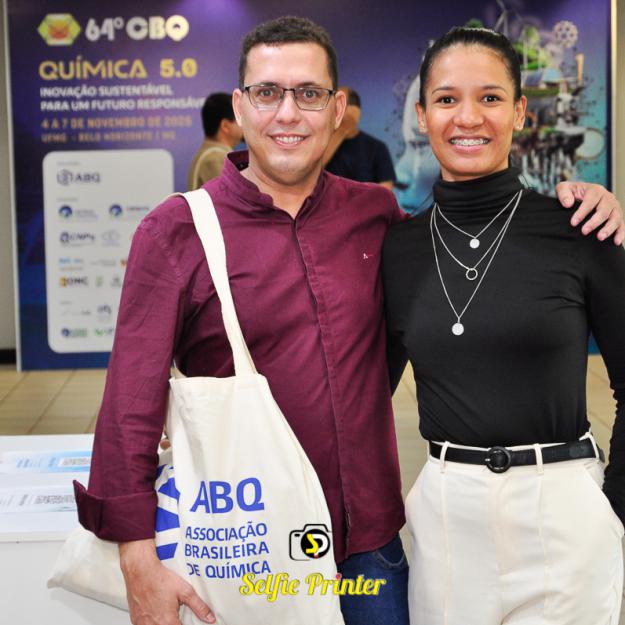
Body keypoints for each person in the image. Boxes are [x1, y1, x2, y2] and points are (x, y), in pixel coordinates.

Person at [73, 16, 623, 625]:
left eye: (308, 93)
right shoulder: (175, 231)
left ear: (337, 109)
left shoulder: (375, 218)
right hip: (247, 547)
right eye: (267, 92)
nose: (288, 113)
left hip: (368, 553)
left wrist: (588, 200)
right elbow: (129, 403)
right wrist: (137, 556)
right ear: (240, 105)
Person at [382, 27, 625, 625]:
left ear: (519, 112)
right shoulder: (397, 250)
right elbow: (365, 393)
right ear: (422, 115)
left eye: (490, 98)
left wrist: (613, 514)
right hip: (446, 517)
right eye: (446, 99)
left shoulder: (580, 229)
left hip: (564, 511)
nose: (468, 117)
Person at [324, 87, 396, 190]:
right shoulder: (321, 145)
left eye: (341, 105)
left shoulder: (377, 148)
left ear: (355, 111)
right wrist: (340, 133)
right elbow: (310, 177)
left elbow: (386, 190)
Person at [187, 92, 243, 190]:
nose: (245, 124)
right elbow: (229, 198)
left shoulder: (212, 154)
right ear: (225, 126)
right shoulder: (216, 158)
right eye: (240, 119)